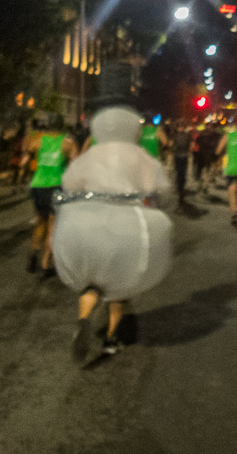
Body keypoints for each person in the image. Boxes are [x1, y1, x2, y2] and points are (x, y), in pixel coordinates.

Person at [54, 65, 173, 365]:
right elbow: (158, 190)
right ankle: (110, 340)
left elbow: (69, 184)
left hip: (84, 226)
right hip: (124, 228)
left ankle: (84, 319)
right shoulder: (140, 157)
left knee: (91, 284)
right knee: (117, 289)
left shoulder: (90, 155)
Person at [22, 118, 77, 274]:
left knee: (40, 220)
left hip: (39, 185)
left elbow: (27, 153)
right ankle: (46, 262)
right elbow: (75, 164)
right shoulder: (67, 143)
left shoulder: (38, 141)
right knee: (53, 224)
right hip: (56, 185)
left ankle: (33, 253)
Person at [170, 120, 194, 205]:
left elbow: (170, 144)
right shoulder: (188, 135)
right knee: (183, 173)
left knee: (178, 172)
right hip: (185, 156)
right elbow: (192, 145)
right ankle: (181, 188)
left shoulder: (175, 135)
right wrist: (190, 151)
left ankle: (179, 187)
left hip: (177, 156)